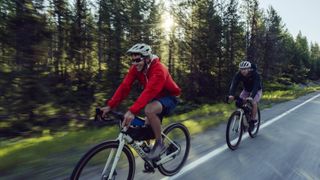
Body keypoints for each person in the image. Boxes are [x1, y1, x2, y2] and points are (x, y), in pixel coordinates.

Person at [100, 43, 181, 160]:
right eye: (132, 60)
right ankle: (151, 153)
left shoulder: (159, 69)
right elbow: (124, 87)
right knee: (145, 126)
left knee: (149, 110)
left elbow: (149, 91)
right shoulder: (137, 68)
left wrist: (132, 111)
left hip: (169, 97)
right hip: (154, 98)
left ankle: (159, 144)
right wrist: (110, 106)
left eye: (137, 60)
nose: (134, 63)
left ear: (147, 58)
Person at [228, 60, 262, 131]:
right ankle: (243, 117)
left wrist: (251, 97)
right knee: (239, 102)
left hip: (256, 90)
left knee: (253, 102)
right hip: (246, 90)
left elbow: (256, 86)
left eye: (245, 69)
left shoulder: (255, 74)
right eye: (241, 69)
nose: (243, 71)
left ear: (249, 69)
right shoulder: (239, 74)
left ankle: (252, 121)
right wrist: (231, 95)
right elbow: (234, 84)